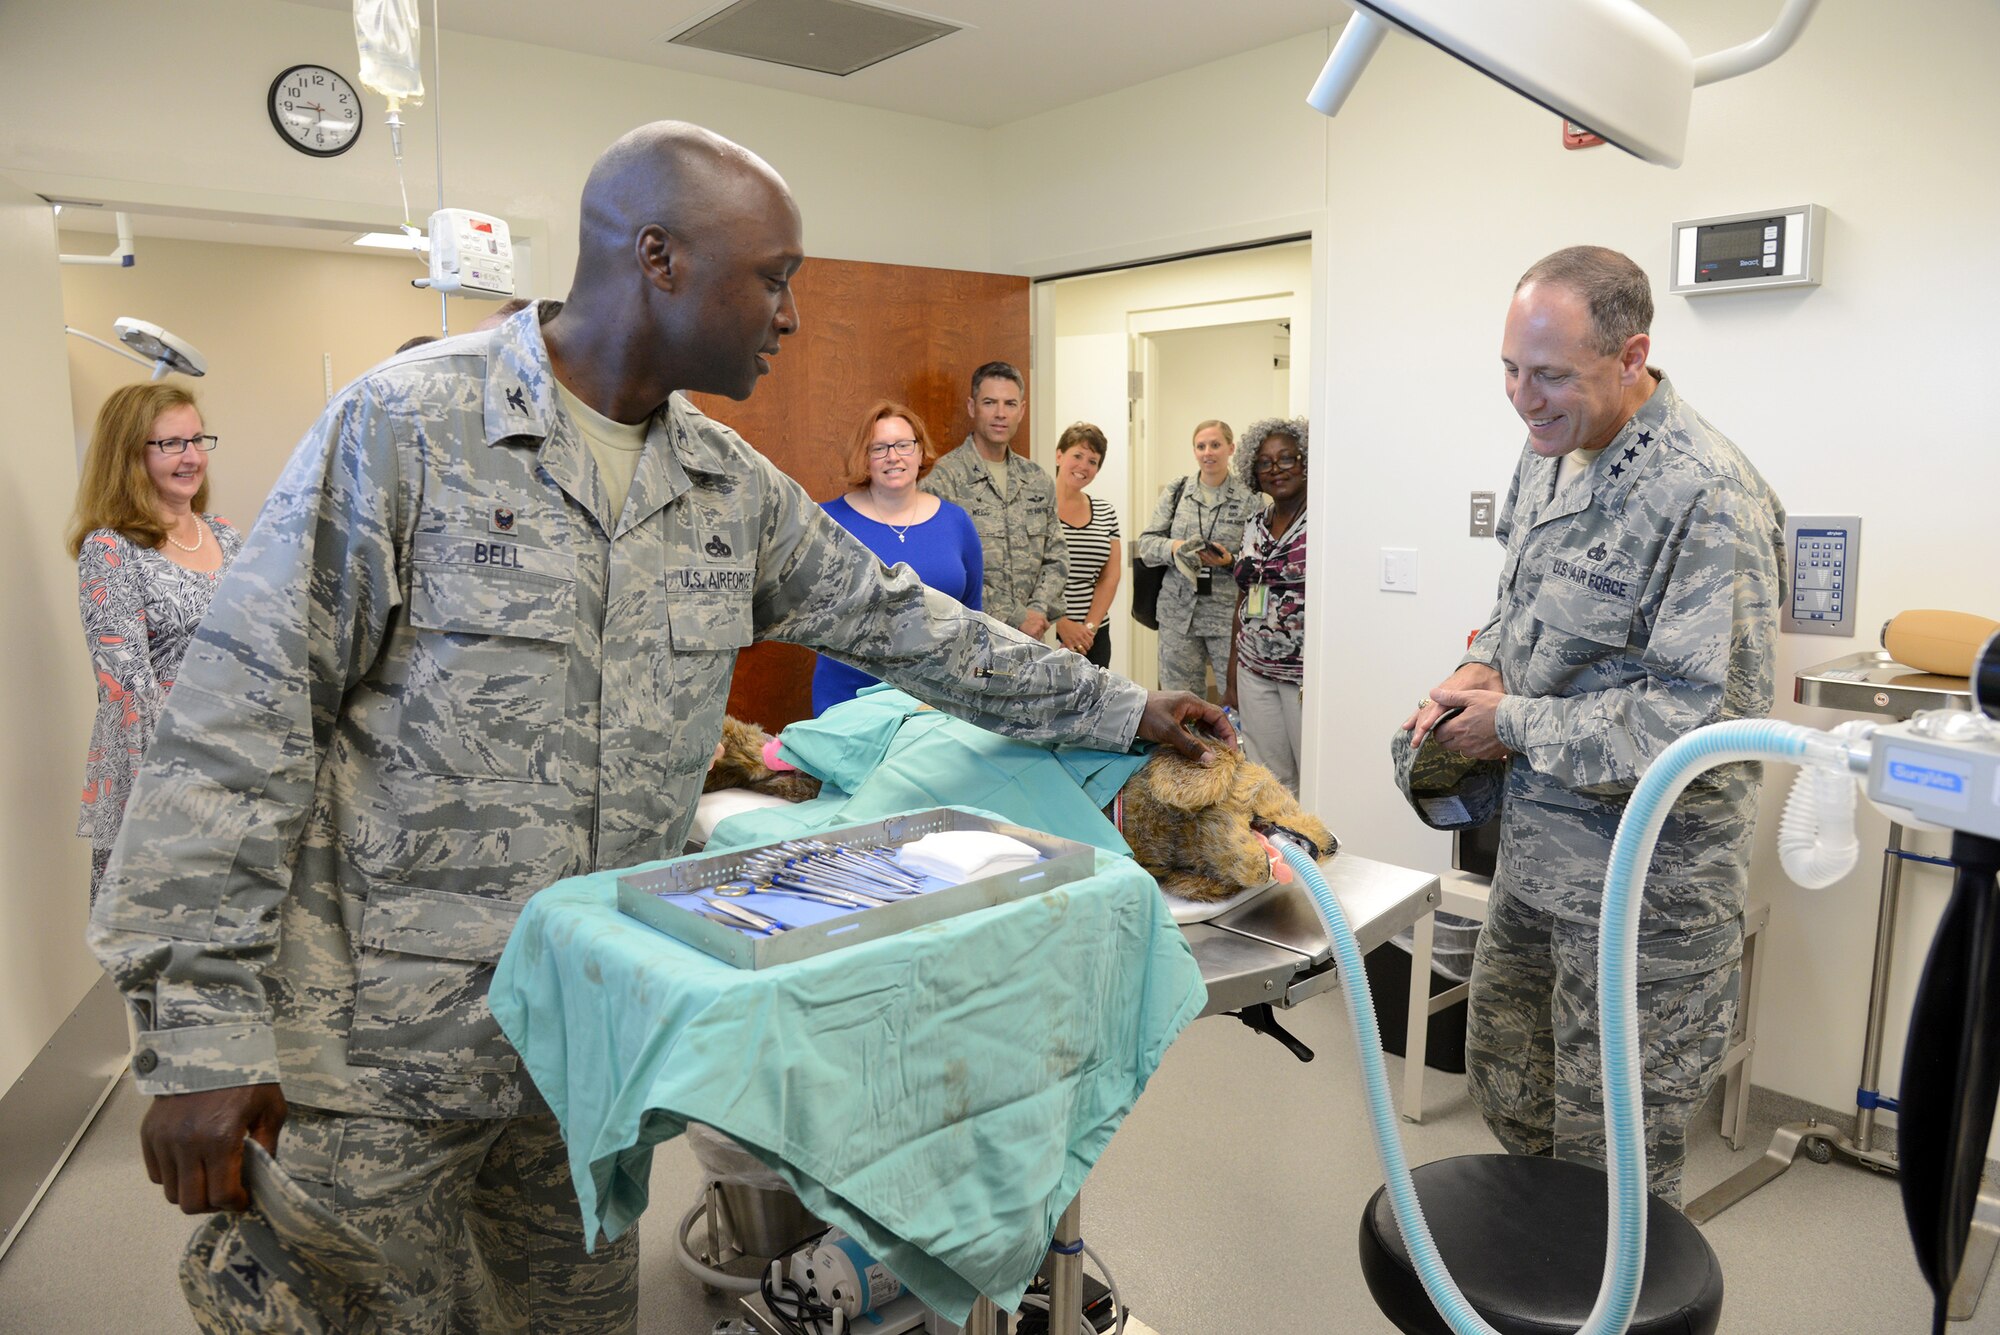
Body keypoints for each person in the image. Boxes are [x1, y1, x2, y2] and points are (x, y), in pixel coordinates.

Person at [88, 121, 1231, 1335]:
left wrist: (1124, 705)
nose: (789, 316)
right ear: (659, 259)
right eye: (774, 279)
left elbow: (911, 627)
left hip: (585, 1045)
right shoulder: (406, 430)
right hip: (375, 1060)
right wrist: (199, 1029)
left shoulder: (723, 485)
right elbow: (236, 728)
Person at [1404, 245, 1785, 1205]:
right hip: (1537, 866)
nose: (1523, 398)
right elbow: (1516, 604)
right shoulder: (1553, 453)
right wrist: (1474, 671)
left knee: (1614, 1164)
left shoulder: (1706, 493)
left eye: (1550, 376)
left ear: (1631, 355)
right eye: (1510, 369)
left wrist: (1515, 724)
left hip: (1647, 899)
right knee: (1509, 1082)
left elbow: (1701, 719)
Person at [69, 383, 243, 904]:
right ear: (129, 456)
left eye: (197, 440)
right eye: (171, 444)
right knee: (166, 949)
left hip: (240, 768)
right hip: (164, 781)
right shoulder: (111, 549)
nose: (192, 457)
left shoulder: (226, 534)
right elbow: (127, 692)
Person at [813, 400, 983, 712]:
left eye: (904, 445)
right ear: (865, 458)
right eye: (879, 448)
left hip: (940, 702)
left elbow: (975, 618)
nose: (893, 456)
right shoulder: (828, 522)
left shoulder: (956, 522)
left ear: (920, 452)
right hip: (850, 700)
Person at [922, 362, 1066, 638]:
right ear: (972, 407)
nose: (1001, 414)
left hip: (1033, 640)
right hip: (969, 639)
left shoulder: (1037, 480)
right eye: (990, 402)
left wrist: (1037, 612)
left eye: (1010, 404)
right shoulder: (941, 480)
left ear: (1022, 410)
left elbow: (1056, 556)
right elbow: (947, 569)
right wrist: (1017, 616)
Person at [1135, 420, 1261, 697]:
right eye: (1201, 446)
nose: (1208, 452)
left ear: (1230, 448)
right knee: (1180, 703)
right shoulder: (1177, 490)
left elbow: (1261, 561)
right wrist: (1176, 547)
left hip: (1227, 616)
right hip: (1178, 616)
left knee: (1237, 698)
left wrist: (1229, 561)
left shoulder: (1250, 497)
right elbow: (1146, 544)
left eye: (1215, 445)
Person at [1226, 417, 1310, 795]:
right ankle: (1277, 852)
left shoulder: (1323, 523)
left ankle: (1314, 852)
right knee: (1268, 782)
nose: (1275, 469)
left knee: (1312, 776)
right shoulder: (1254, 525)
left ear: (1306, 461)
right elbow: (1243, 597)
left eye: (1287, 459)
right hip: (1254, 668)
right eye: (1264, 462)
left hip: (1304, 677)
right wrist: (1231, 677)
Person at [1050, 422, 1121, 669]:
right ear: (1059, 455)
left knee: (1094, 706)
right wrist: (1060, 624)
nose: (1083, 466)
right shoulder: (1037, 507)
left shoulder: (1106, 512)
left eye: (1093, 461)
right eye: (1077, 455)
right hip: (1047, 632)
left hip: (1093, 637)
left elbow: (1109, 577)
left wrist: (1088, 629)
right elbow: (1025, 575)